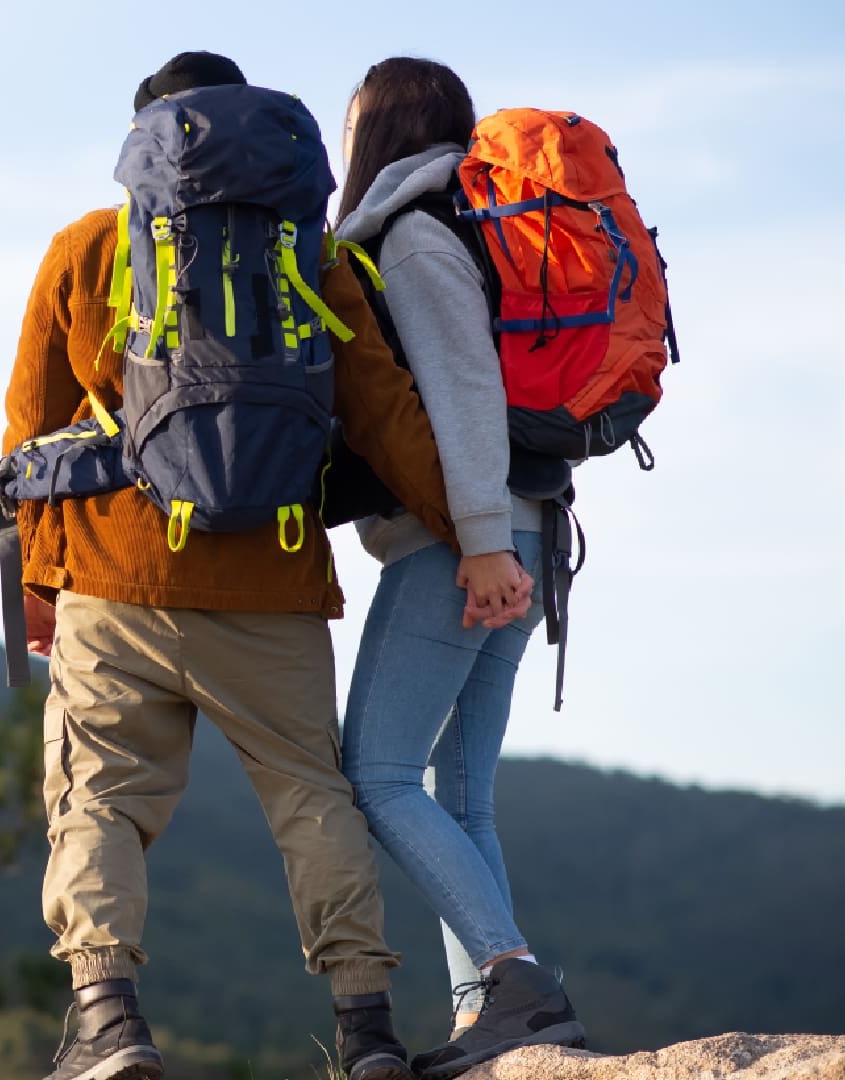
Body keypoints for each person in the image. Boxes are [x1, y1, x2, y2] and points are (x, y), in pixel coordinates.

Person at [6, 51, 504, 1080]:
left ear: (143, 141)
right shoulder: (307, 254)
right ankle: (365, 1031)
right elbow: (381, 411)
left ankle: (106, 1021)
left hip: (112, 581)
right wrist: (474, 537)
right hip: (269, 583)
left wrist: (38, 591)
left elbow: (30, 435)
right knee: (308, 799)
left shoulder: (83, 248)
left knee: (98, 800)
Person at [332, 56, 587, 1079]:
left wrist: (478, 541)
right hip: (529, 535)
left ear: (375, 129)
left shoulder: (415, 233)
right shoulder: (483, 226)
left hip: (471, 544)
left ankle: (510, 976)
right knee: (459, 788)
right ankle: (493, 1016)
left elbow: (463, 393)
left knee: (377, 774)